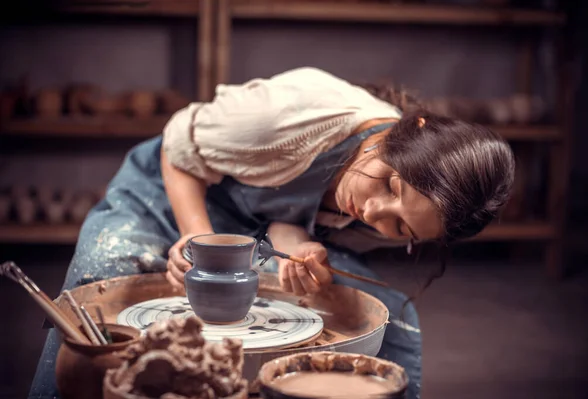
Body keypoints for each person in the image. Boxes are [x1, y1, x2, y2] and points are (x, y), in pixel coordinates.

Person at [29, 67, 515, 399]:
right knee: (98, 288)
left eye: (398, 224)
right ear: (414, 128)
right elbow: (178, 143)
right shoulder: (292, 118)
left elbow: (283, 209)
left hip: (252, 223)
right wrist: (200, 241)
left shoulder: (393, 200)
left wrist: (295, 252)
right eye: (389, 184)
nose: (372, 210)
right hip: (168, 187)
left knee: (398, 320)